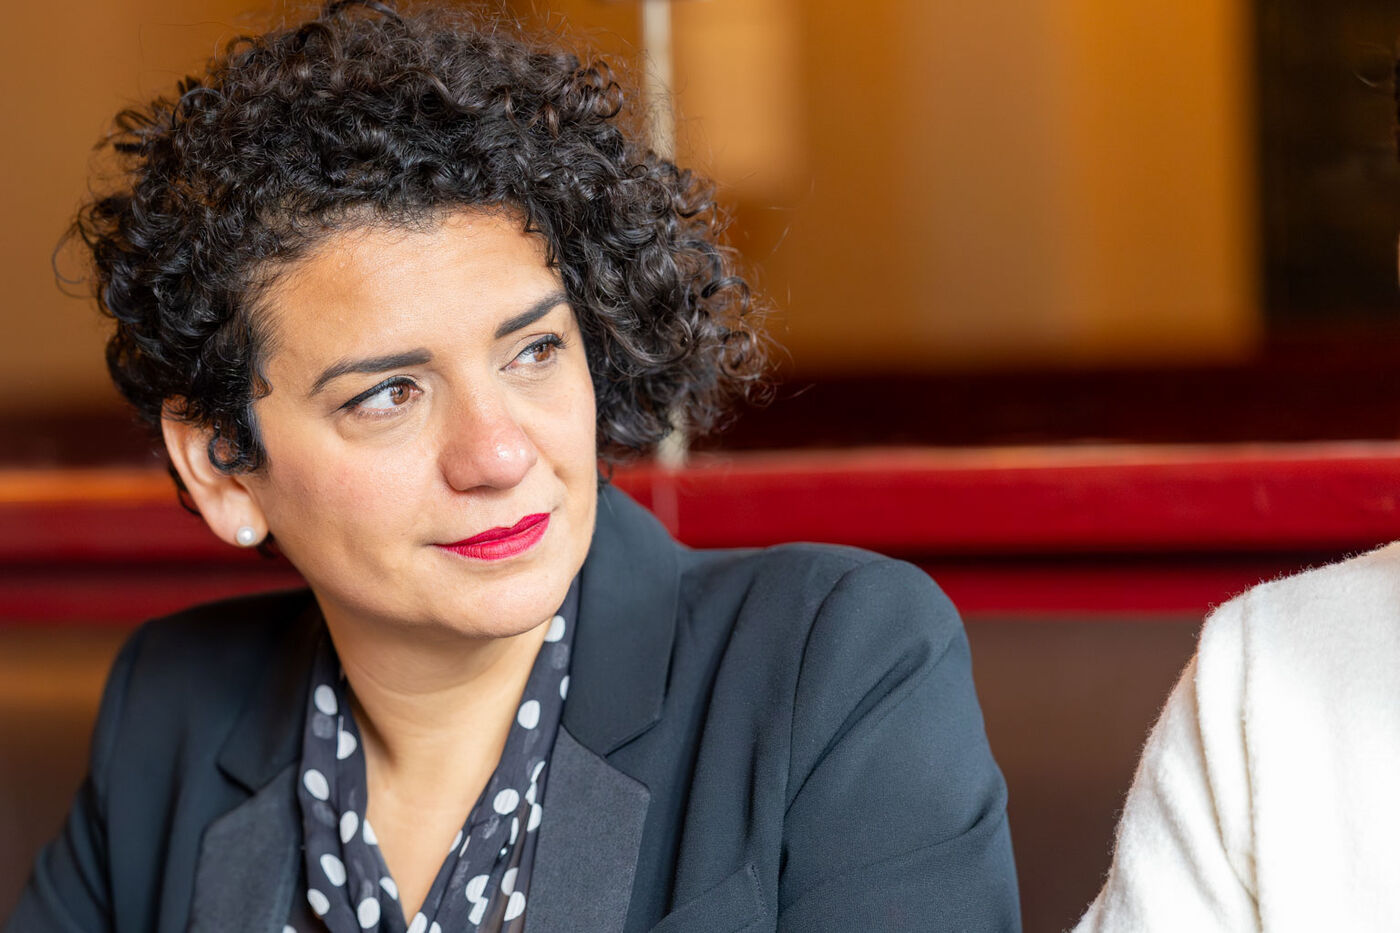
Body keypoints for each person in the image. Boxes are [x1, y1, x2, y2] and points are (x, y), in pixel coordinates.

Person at [5, 2, 1019, 931]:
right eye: (388, 394)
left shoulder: (826, 664)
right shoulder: (173, 713)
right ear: (223, 467)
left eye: (533, 351)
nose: (497, 453)